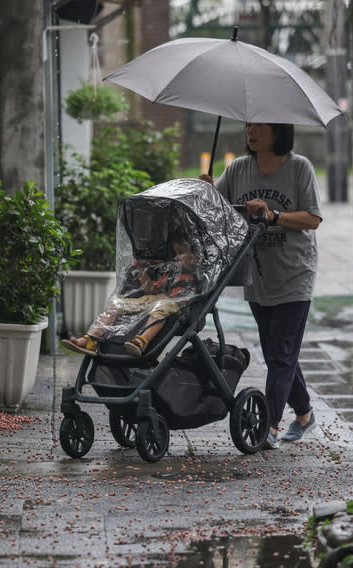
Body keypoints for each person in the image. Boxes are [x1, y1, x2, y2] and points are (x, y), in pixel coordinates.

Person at [200, 122, 321, 449]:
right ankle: (305, 413)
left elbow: (312, 218)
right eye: (248, 126)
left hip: (295, 275)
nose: (251, 131)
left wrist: (273, 215)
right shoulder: (238, 169)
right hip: (257, 274)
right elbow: (216, 208)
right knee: (276, 352)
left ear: (278, 131)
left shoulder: (299, 168)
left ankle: (269, 426)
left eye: (259, 126)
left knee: (281, 354)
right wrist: (207, 190)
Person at [61, 239, 200, 357]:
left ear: (196, 256)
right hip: (153, 300)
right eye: (175, 253)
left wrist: (169, 298)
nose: (176, 257)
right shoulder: (170, 272)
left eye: (181, 252)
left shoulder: (195, 277)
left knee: (162, 305)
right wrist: (141, 269)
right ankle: (90, 340)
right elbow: (150, 290)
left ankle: (141, 342)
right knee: (117, 304)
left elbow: (190, 299)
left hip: (171, 306)